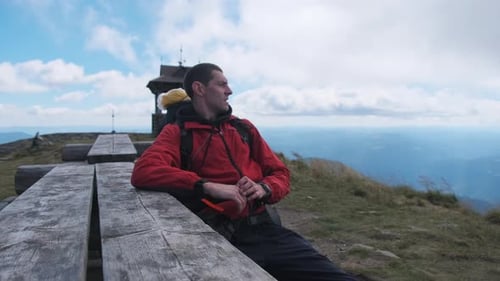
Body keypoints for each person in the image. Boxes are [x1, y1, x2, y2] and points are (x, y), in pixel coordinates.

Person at [131, 63, 357, 281]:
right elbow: (144, 171)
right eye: (222, 84)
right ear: (199, 89)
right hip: (214, 238)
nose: (229, 91)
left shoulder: (243, 128)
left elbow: (280, 172)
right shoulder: (177, 133)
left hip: (265, 230)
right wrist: (206, 185)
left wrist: (264, 188)